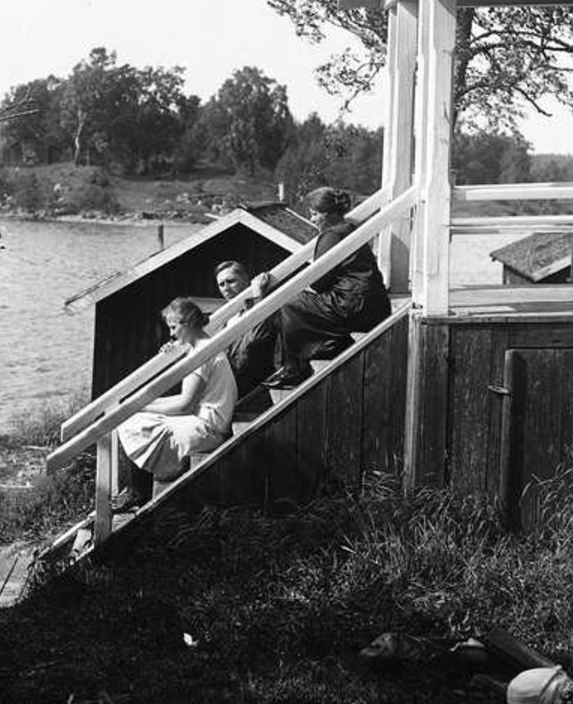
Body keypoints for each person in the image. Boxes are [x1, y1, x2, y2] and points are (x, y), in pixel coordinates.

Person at [261, 186, 390, 388]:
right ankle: (327, 345)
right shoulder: (349, 229)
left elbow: (318, 282)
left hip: (352, 305)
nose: (312, 220)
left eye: (315, 214)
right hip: (374, 305)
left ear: (328, 215)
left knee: (288, 303)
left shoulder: (331, 235)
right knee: (302, 304)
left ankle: (295, 368)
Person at [117, 297, 238, 482]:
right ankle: (137, 488)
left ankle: (137, 490)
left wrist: (140, 406)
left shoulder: (200, 354)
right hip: (206, 422)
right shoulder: (201, 347)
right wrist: (142, 403)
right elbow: (187, 400)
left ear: (188, 323)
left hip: (208, 430)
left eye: (173, 327)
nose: (171, 334)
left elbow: (184, 406)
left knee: (131, 423)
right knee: (133, 419)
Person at [214, 259, 279, 397]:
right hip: (224, 386)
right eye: (221, 284)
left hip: (252, 386)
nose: (225, 287)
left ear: (245, 280)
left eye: (231, 281)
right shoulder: (222, 319)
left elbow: (257, 339)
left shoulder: (260, 305)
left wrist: (258, 297)